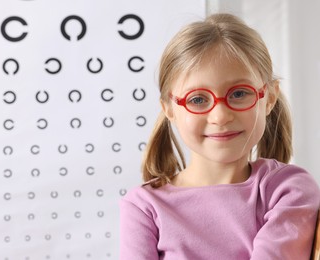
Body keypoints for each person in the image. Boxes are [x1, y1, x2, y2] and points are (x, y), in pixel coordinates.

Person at [119, 13, 320, 260]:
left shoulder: (288, 190)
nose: (220, 116)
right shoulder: (143, 207)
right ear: (169, 108)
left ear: (269, 97)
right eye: (198, 99)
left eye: (238, 94)